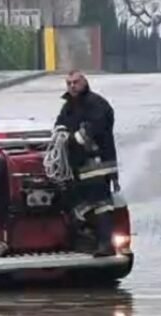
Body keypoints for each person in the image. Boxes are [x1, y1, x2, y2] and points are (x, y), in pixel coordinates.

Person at [54, 70, 119, 257]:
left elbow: (95, 127)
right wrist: (60, 136)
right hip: (79, 166)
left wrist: (72, 140)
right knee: (77, 202)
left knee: (101, 205)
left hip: (97, 164)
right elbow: (60, 125)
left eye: (76, 82)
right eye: (69, 83)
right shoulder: (68, 106)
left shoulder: (96, 103)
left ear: (85, 82)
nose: (72, 86)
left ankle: (105, 244)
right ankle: (87, 240)